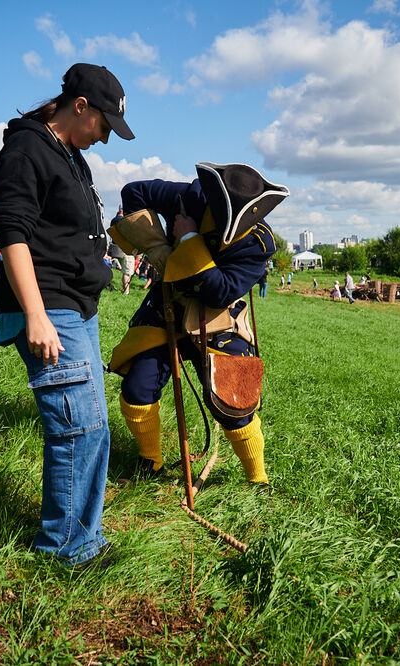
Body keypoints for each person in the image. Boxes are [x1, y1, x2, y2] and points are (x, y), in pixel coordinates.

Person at [0, 62, 134, 569]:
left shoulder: (71, 157)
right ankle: (67, 550)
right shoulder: (25, 151)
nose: (105, 138)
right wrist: (35, 314)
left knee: (93, 425)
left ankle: (81, 535)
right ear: (80, 106)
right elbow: (12, 235)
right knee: (78, 427)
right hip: (49, 306)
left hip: (79, 307)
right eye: (104, 126)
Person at [107, 162, 287, 490]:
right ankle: (150, 462)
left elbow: (219, 292)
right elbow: (133, 192)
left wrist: (189, 239)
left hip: (221, 320)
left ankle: (257, 479)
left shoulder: (258, 243)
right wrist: (158, 248)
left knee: (235, 401)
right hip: (167, 307)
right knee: (137, 388)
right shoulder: (189, 197)